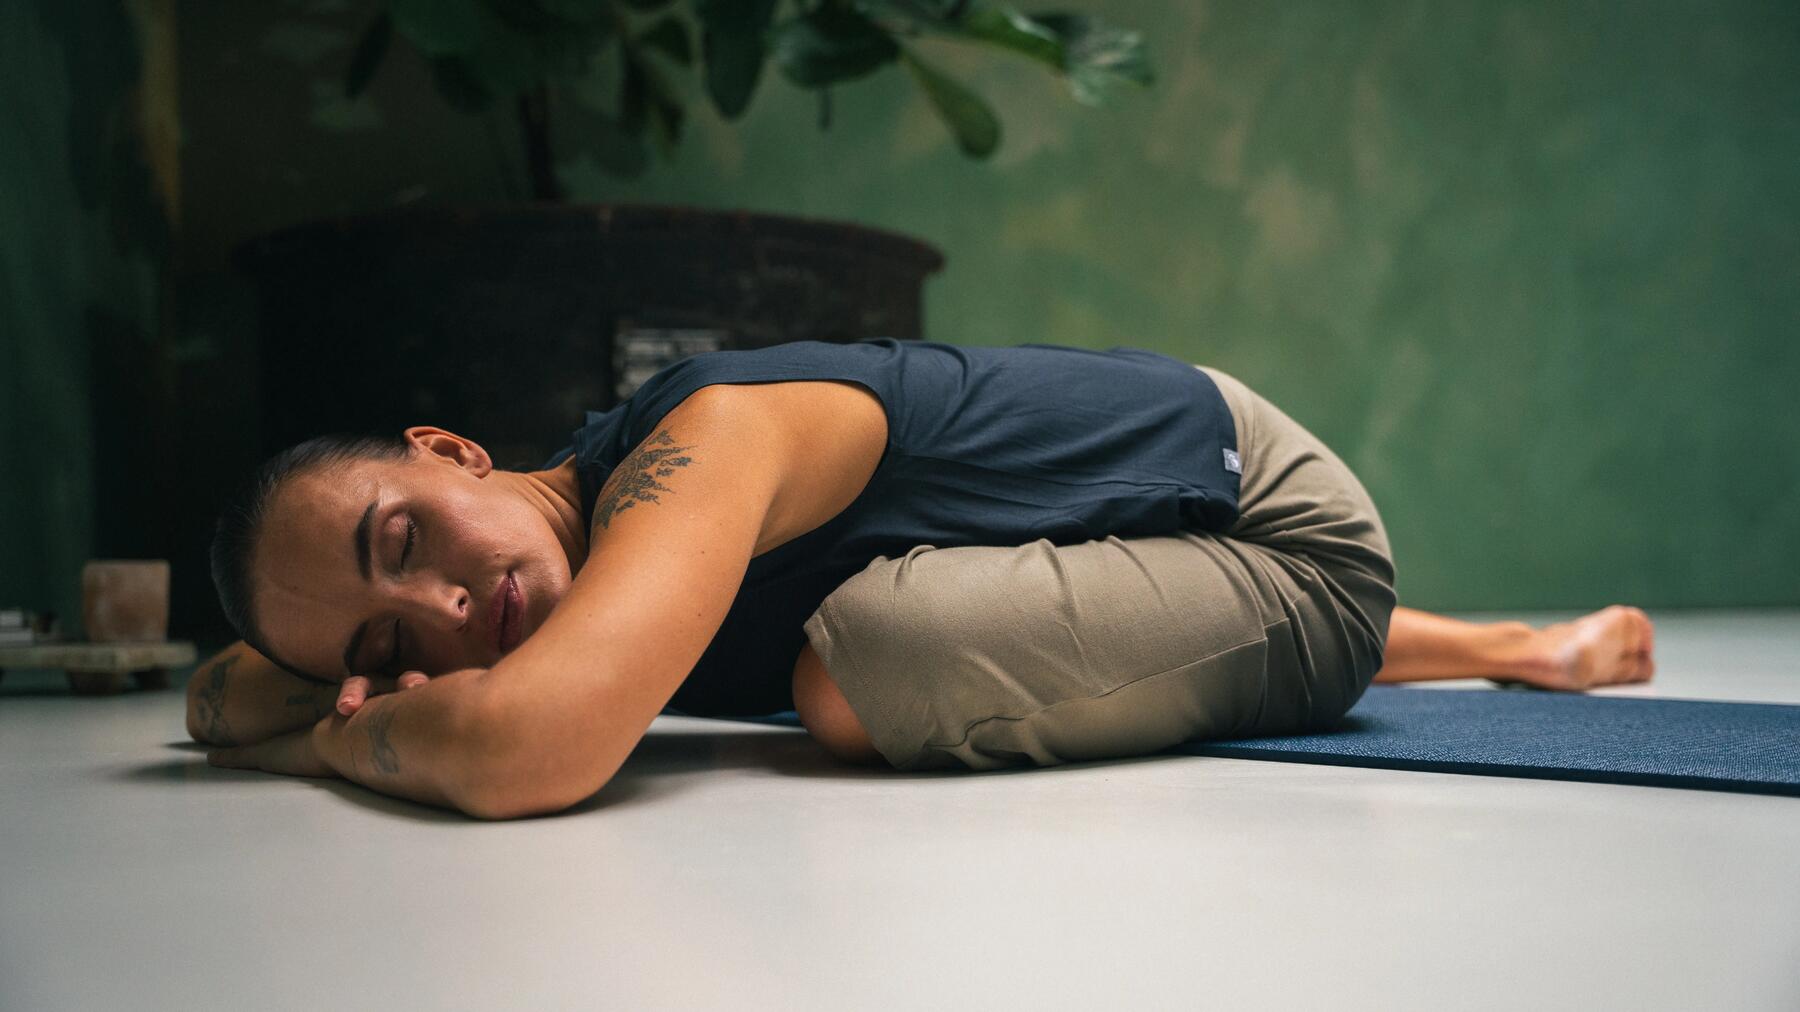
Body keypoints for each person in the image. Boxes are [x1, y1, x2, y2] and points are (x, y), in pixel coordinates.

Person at [192, 338, 1654, 814]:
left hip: (1272, 522)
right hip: (1150, 550)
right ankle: (1520, 650)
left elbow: (530, 747)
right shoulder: (551, 562)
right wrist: (354, 693)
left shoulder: (701, 444)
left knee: (867, 669)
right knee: (898, 635)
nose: (446, 615)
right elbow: (215, 697)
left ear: (452, 453)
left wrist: (340, 736)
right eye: (384, 644)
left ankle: (1465, 643)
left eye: (405, 544)